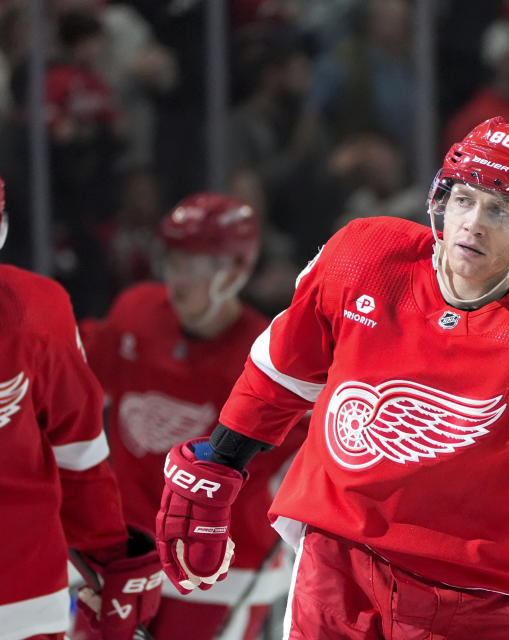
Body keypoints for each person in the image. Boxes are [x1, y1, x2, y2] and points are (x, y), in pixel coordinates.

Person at [154, 117, 509, 639]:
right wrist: (220, 464)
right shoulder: (364, 258)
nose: (472, 223)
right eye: (464, 200)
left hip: (480, 602)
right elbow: (281, 371)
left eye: (501, 210)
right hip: (339, 568)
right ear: (438, 201)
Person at [78, 194, 305, 640]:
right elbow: (74, 373)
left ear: (237, 272)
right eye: (175, 261)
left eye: (198, 267)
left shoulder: (271, 354)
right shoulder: (137, 312)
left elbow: (302, 464)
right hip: (124, 554)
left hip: (219, 568)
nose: (179, 281)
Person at [0, 178, 161, 640]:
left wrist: (109, 551)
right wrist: (108, 554)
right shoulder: (36, 310)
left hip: (22, 594)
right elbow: (79, 457)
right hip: (23, 594)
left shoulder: (35, 313)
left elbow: (79, 455)